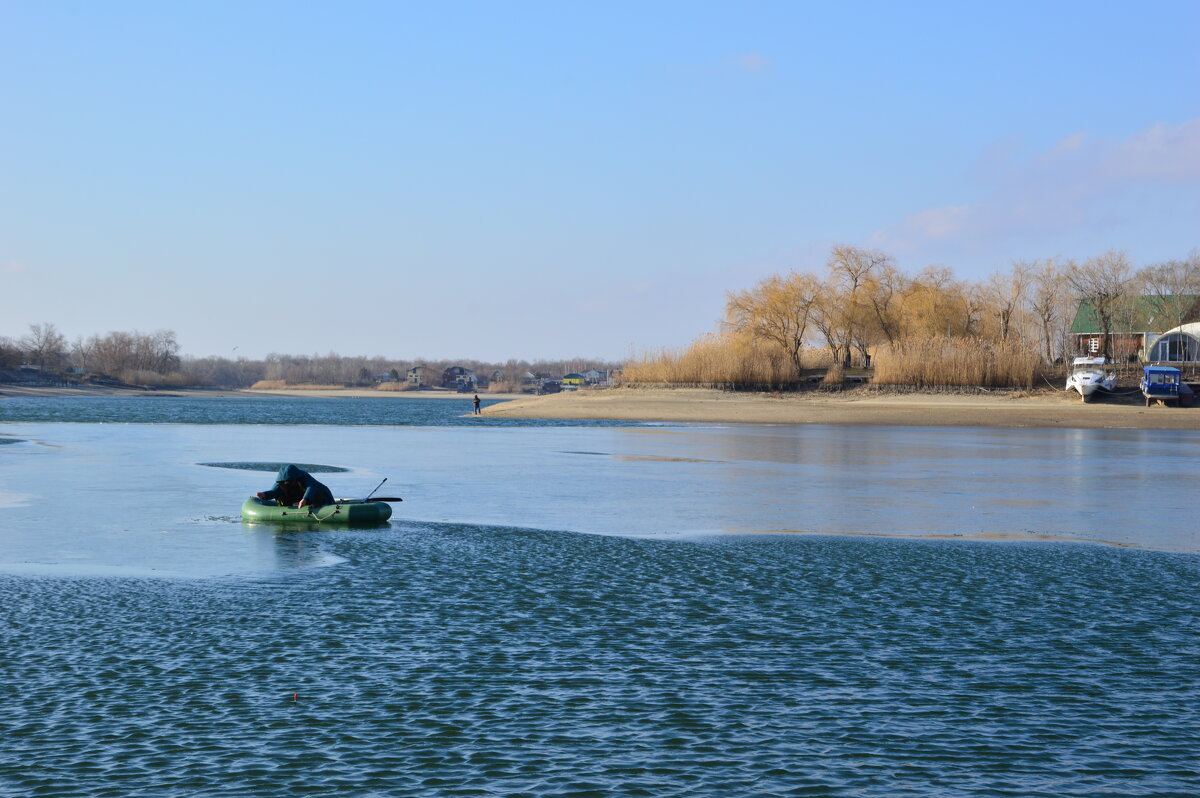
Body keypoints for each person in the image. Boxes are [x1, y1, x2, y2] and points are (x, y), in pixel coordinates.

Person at [256, 464, 334, 509]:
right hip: (298, 501)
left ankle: (315, 505)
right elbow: (274, 492)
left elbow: (312, 487)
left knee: (315, 492)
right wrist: (264, 495)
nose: (286, 485)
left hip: (323, 498)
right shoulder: (281, 484)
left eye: (288, 482)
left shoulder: (304, 477)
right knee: (281, 495)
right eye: (283, 483)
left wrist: (305, 499)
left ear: (294, 479)